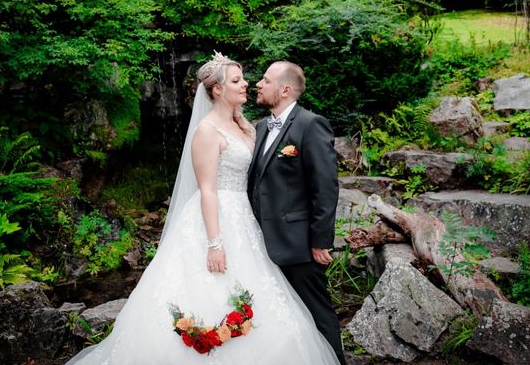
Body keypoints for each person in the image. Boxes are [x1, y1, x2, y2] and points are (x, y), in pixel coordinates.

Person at [65, 52, 339, 365]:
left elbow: (307, 183)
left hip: (250, 225)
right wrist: (214, 244)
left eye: (249, 79)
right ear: (217, 90)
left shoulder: (249, 127)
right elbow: (207, 189)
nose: (249, 84)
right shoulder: (208, 131)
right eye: (237, 80)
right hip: (216, 221)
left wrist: (318, 237)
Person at [247, 61, 346, 365]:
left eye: (265, 80)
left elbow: (325, 187)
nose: (258, 85)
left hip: (299, 244)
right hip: (260, 244)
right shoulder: (261, 127)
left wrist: (320, 240)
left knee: (318, 314)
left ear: (285, 89)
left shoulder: (310, 124)